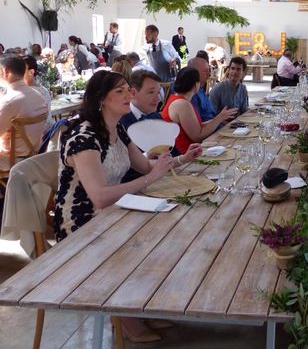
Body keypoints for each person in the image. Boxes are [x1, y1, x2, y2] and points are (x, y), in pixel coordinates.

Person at [52, 71, 201, 342]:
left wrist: (181, 160)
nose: (128, 95)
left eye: (127, 90)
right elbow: (98, 196)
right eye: (120, 91)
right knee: (145, 238)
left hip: (114, 208)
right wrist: (148, 180)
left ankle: (139, 303)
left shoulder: (116, 128)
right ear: (100, 99)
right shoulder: (83, 136)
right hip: (81, 220)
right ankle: (126, 317)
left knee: (169, 228)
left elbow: (146, 166)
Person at [162, 68, 237, 154]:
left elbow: (197, 126)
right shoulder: (182, 104)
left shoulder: (177, 99)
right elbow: (197, 136)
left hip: (188, 151)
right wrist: (219, 118)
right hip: (185, 156)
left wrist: (219, 119)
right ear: (195, 84)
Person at [0, 55, 48, 171]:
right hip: (34, 155)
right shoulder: (39, 95)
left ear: (5, 72)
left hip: (11, 160)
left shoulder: (9, 101)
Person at [22, 55, 53, 131]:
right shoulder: (43, 90)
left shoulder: (25, 93)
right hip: (47, 134)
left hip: (35, 137)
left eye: (21, 70)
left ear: (31, 72)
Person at [187, 57, 216, 121]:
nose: (209, 74)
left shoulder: (201, 89)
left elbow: (213, 115)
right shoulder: (190, 94)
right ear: (194, 73)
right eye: (205, 71)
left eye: (209, 70)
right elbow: (198, 123)